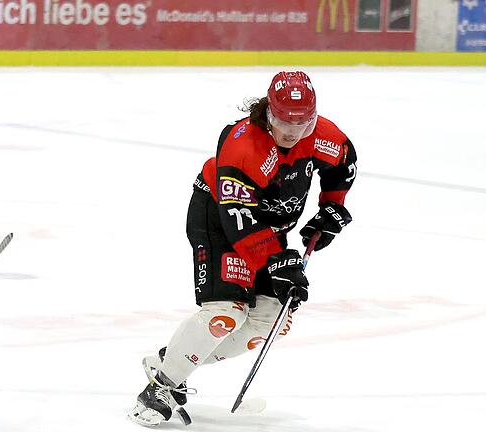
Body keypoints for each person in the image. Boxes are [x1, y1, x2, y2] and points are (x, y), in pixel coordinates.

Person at [128, 71, 357, 426]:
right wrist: (278, 261)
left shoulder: (322, 135)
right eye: (283, 120)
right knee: (226, 315)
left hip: (265, 230)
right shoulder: (243, 145)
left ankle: (172, 358)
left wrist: (332, 207)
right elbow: (239, 222)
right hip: (219, 221)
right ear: (269, 112)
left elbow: (344, 164)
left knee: (270, 324)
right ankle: (162, 386)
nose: (293, 130)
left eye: (303, 121)